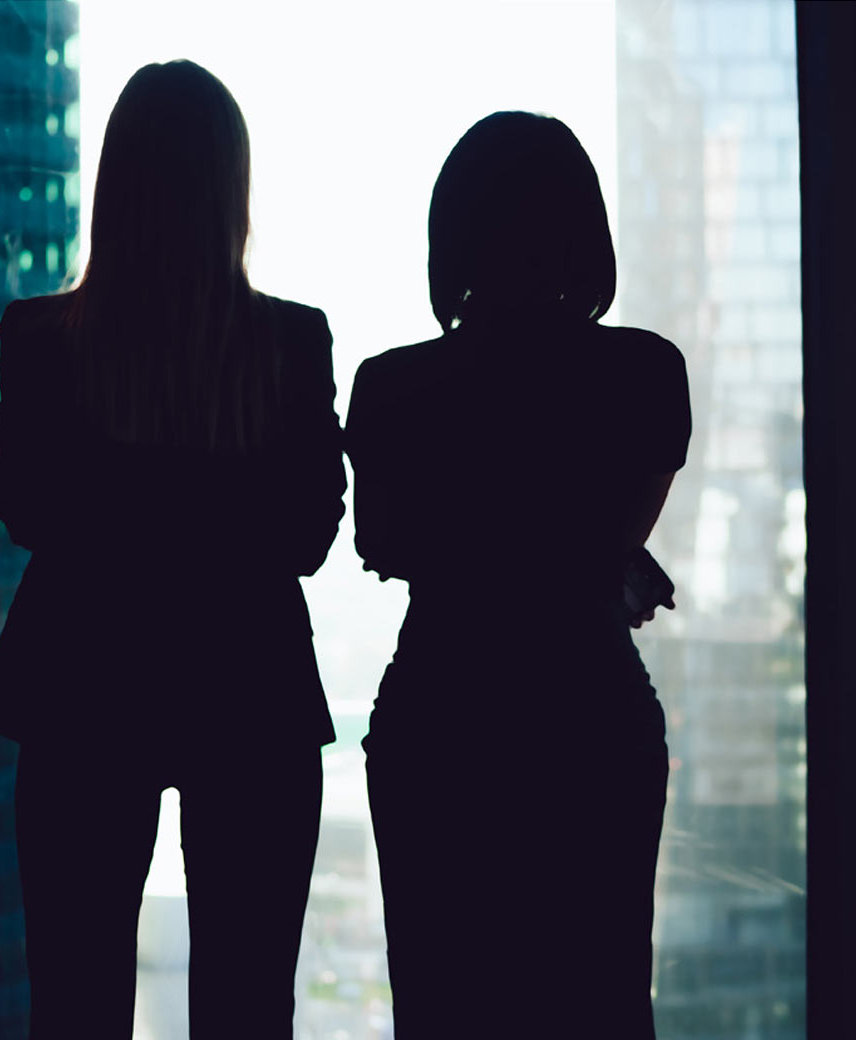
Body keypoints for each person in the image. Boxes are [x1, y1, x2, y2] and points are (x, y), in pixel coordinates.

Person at [0, 60, 345, 1038]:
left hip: (82, 686)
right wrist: (218, 508)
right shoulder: (289, 343)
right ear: (234, 186)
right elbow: (307, 533)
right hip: (250, 688)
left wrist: (128, 507)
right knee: (249, 1004)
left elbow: (27, 509)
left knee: (74, 1001)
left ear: (115, 183)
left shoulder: (44, 339)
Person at [344, 111, 690, 1038]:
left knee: (444, 999)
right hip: (591, 711)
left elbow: (384, 543)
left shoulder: (389, 388)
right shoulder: (648, 374)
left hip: (442, 717)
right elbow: (606, 534)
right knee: (604, 995)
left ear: (453, 233)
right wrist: (588, 561)